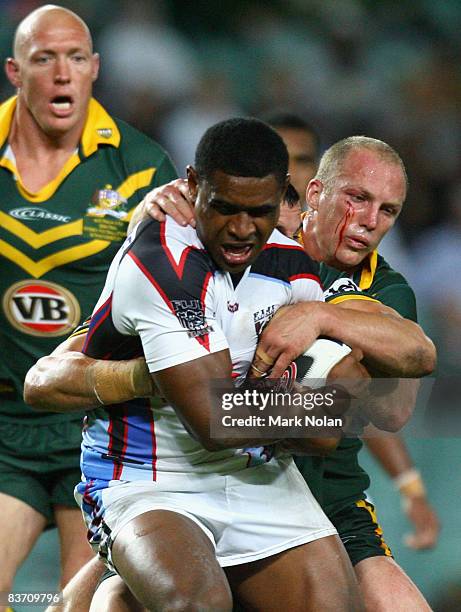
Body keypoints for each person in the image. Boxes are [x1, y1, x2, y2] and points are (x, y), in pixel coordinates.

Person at [26, 117, 368, 611]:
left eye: (259, 211)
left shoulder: (292, 267)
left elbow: (335, 420)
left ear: (283, 199)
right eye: (224, 207)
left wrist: (323, 411)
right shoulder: (161, 262)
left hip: (258, 475)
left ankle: (116, 598)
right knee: (196, 603)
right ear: (192, 186)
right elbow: (216, 420)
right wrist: (317, 410)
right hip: (149, 477)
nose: (240, 228)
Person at [0, 4, 177, 605]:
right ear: (14, 72)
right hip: (4, 424)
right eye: (43, 58)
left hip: (92, 420)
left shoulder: (141, 167)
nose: (61, 73)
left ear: (95, 69)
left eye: (75, 58)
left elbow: (168, 294)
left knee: (71, 604)